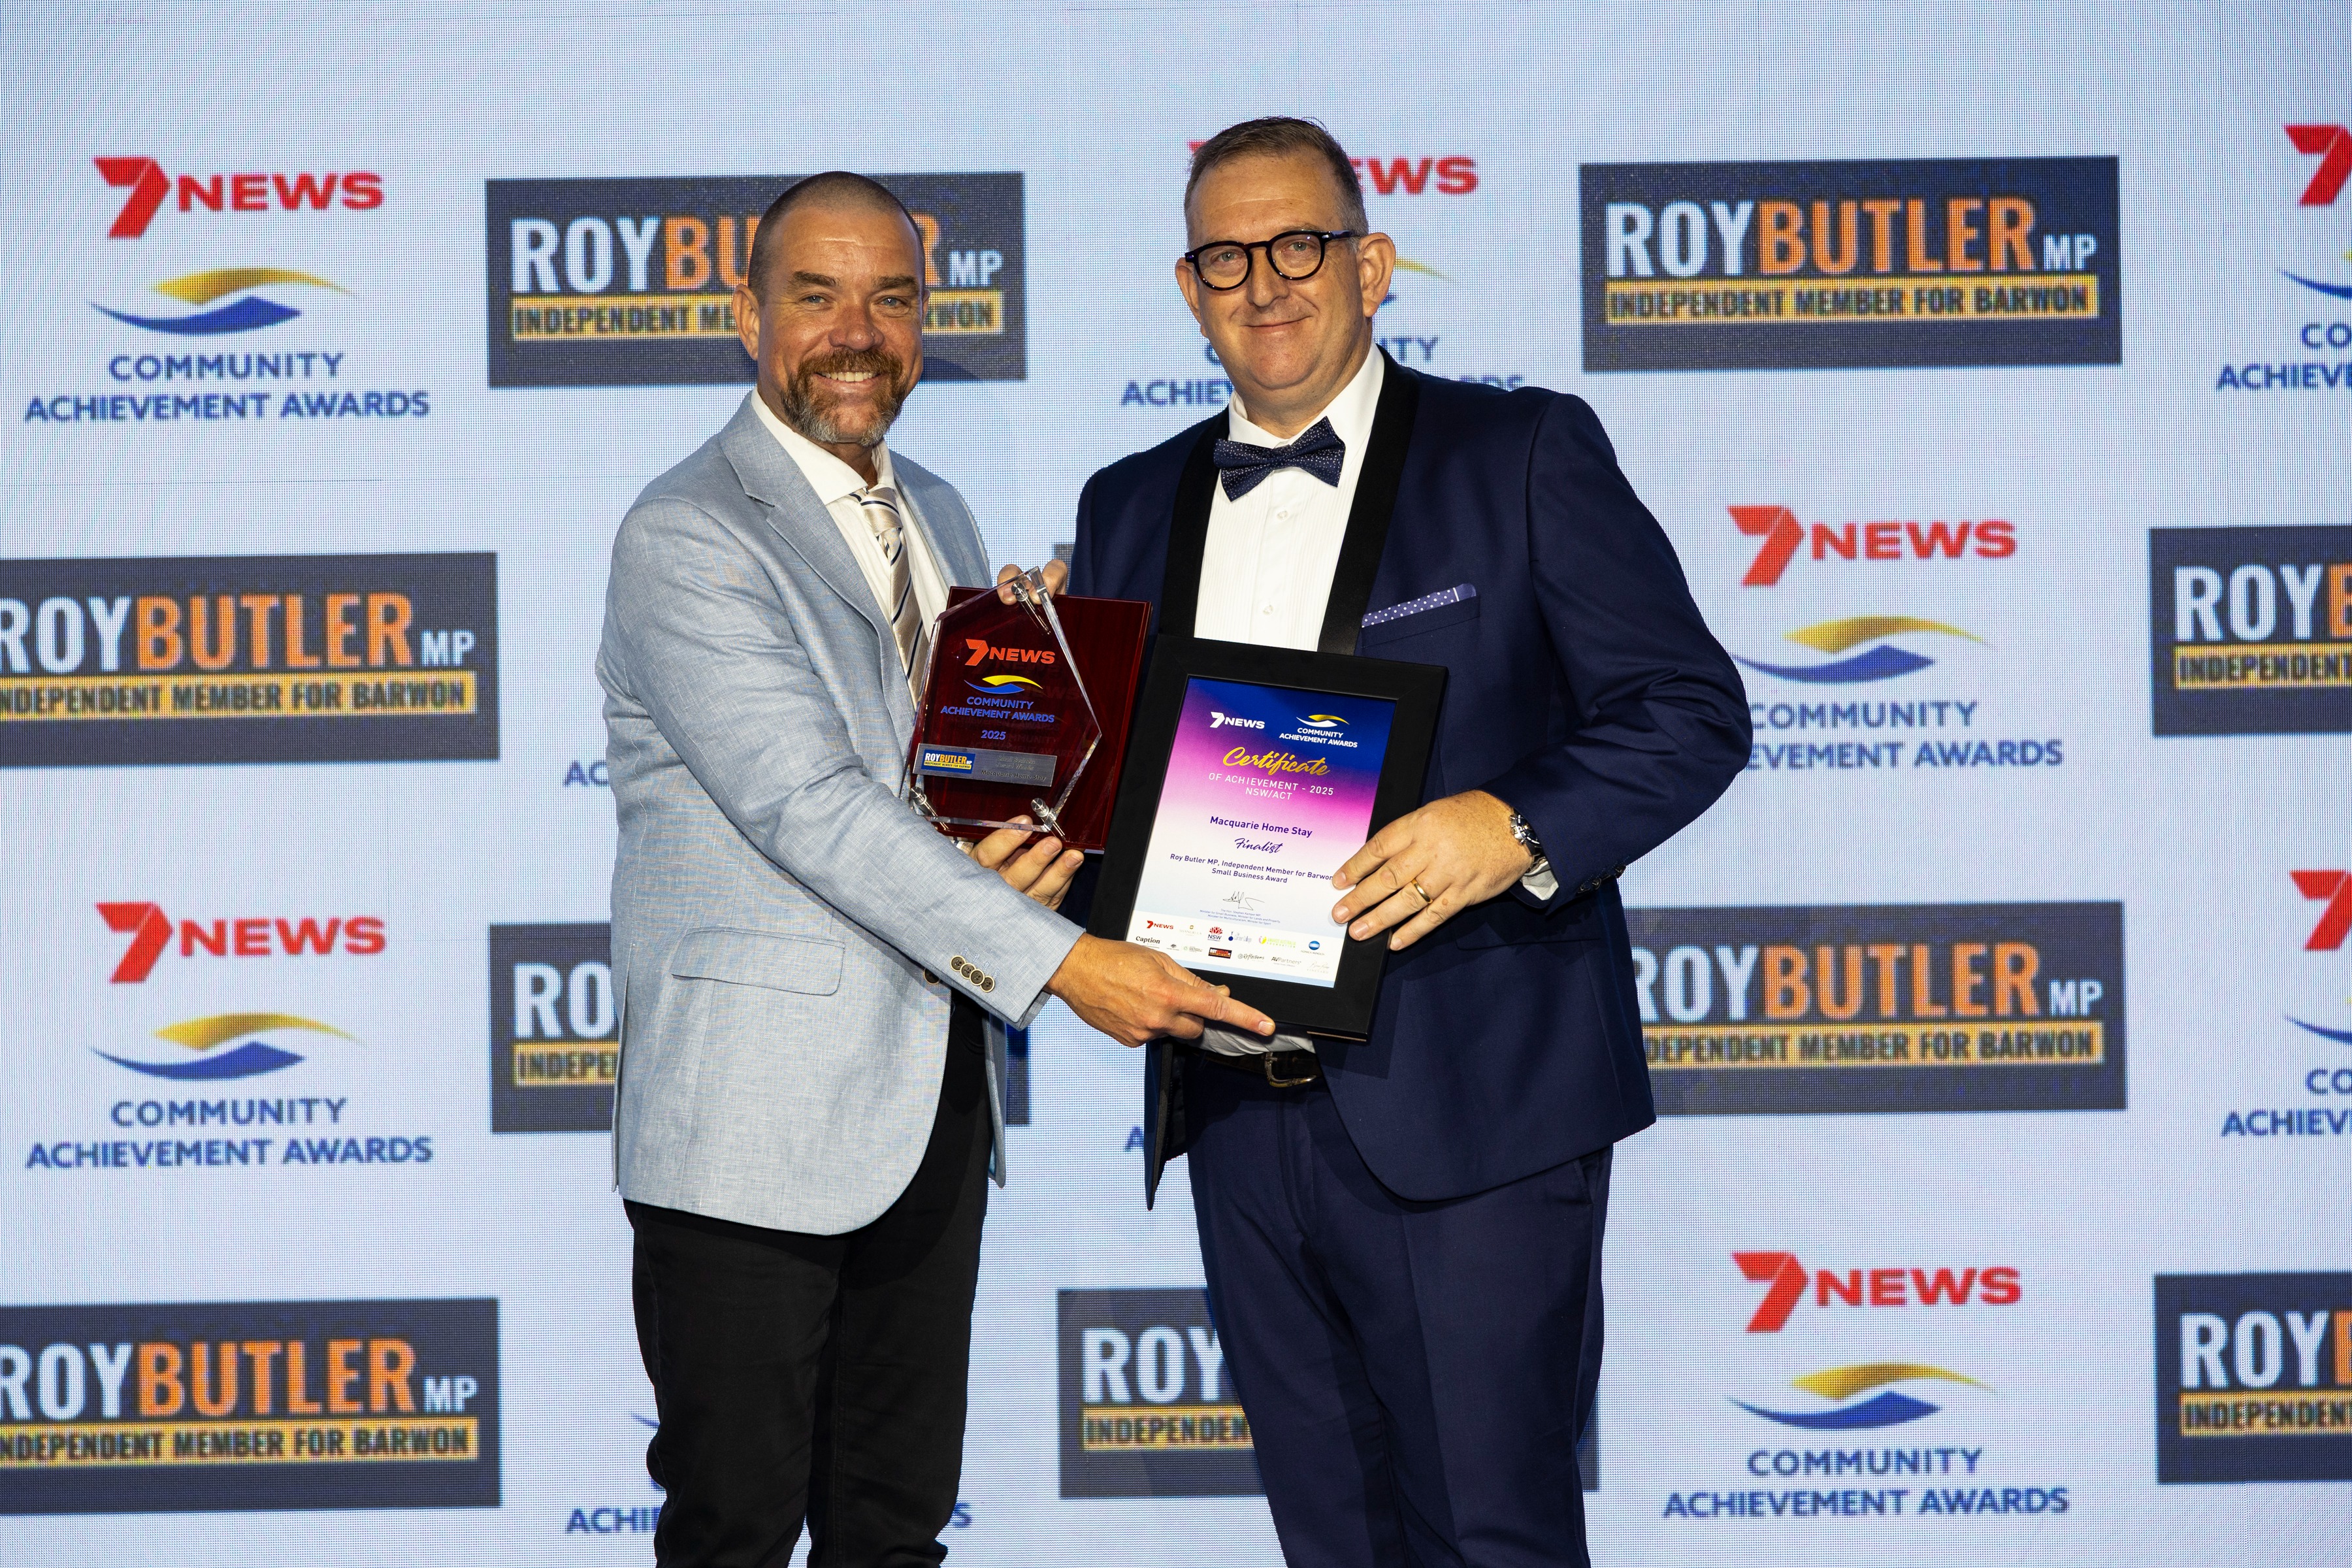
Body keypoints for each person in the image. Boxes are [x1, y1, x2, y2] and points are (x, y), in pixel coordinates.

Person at [1066, 120, 1750, 1567]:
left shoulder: (1519, 452)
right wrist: (1021, 711)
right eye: (1226, 257)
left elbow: (1690, 711)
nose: (1266, 283)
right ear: (1188, 290)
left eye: (1300, 245)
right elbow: (1110, 801)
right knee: (1333, 1545)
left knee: (1492, 1540)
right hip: (1235, 1113)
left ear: (1372, 266)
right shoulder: (1123, 506)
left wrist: (1512, 825)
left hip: (1474, 1108)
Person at [597, 170, 1275, 1568]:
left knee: (896, 1529)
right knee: (733, 1532)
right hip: (750, 1136)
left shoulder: (942, 513)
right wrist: (1067, 962)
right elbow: (810, 808)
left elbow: (946, 798)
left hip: (933, 1106)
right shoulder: (689, 533)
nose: (858, 332)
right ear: (746, 318)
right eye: (817, 296)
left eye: (892, 298)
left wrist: (1059, 727)